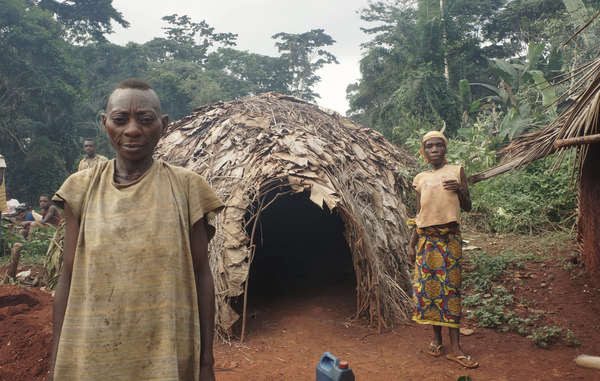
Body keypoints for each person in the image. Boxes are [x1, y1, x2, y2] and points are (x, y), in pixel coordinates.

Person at [50, 79, 224, 381]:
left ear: (163, 125)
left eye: (145, 120)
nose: (132, 130)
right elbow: (68, 275)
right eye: (120, 120)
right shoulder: (79, 189)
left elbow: (201, 274)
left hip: (166, 355)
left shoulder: (187, 189)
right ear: (105, 124)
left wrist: (206, 361)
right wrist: (56, 361)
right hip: (92, 355)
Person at [408, 130, 478, 369]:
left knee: (450, 292)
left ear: (445, 148)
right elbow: (419, 216)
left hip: (449, 241)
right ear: (424, 151)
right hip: (426, 242)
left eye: (439, 145)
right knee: (430, 292)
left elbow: (467, 206)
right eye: (429, 146)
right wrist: (411, 245)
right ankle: (437, 340)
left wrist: (460, 189)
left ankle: (456, 348)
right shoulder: (420, 178)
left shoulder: (456, 171)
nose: (435, 149)